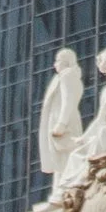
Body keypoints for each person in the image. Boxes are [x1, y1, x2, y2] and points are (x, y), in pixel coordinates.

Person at [38, 45, 87, 188]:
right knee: (59, 159)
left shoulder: (68, 75)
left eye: (57, 61)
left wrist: (61, 123)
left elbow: (68, 100)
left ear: (66, 62)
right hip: (59, 120)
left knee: (66, 155)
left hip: (65, 121)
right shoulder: (63, 76)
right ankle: (59, 190)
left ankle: (65, 189)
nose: (55, 64)